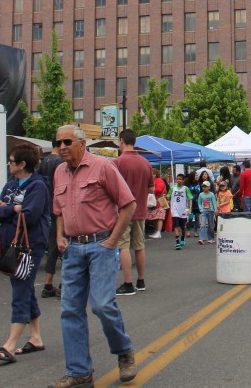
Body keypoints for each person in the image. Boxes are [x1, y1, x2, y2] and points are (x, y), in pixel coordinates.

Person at [51, 124, 137, 386]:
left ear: (82, 143)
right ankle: (79, 371)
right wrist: (60, 235)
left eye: (67, 142)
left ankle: (124, 352)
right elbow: (59, 210)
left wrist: (112, 240)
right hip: (73, 249)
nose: (62, 147)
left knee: (101, 305)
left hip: (100, 245)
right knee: (70, 310)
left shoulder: (103, 166)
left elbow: (128, 204)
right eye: (59, 143)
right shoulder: (58, 172)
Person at [0, 146, 51, 363]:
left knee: (21, 291)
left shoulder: (38, 186)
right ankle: (36, 338)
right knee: (24, 288)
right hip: (12, 245)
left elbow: (30, 216)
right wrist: (11, 209)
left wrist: (7, 209)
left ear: (22, 164)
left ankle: (10, 345)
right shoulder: (11, 185)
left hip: (30, 246)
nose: (9, 163)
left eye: (12, 160)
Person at [114, 129, 153, 296]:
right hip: (140, 209)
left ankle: (128, 282)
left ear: (122, 141)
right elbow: (151, 188)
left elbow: (111, 188)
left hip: (122, 210)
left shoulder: (117, 163)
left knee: (123, 246)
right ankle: (141, 280)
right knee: (139, 245)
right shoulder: (146, 163)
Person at [38, 140, 64, 298]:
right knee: (66, 246)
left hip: (47, 207)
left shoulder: (45, 160)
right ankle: (65, 283)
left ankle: (47, 285)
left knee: (52, 247)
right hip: (60, 208)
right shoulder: (60, 162)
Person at [169, 174, 191, 249]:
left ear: (183, 180)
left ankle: (182, 238)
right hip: (174, 210)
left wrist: (190, 208)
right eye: (177, 179)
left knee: (182, 226)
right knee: (176, 225)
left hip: (183, 209)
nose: (178, 180)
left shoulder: (185, 189)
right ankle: (177, 241)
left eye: (180, 179)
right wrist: (165, 198)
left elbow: (190, 198)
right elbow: (168, 196)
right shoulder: (173, 188)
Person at [145, 168, 166, 239]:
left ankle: (158, 232)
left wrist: (150, 190)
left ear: (155, 174)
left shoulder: (159, 181)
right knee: (155, 217)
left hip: (159, 201)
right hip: (156, 201)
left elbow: (159, 190)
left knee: (159, 217)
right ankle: (157, 231)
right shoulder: (155, 181)